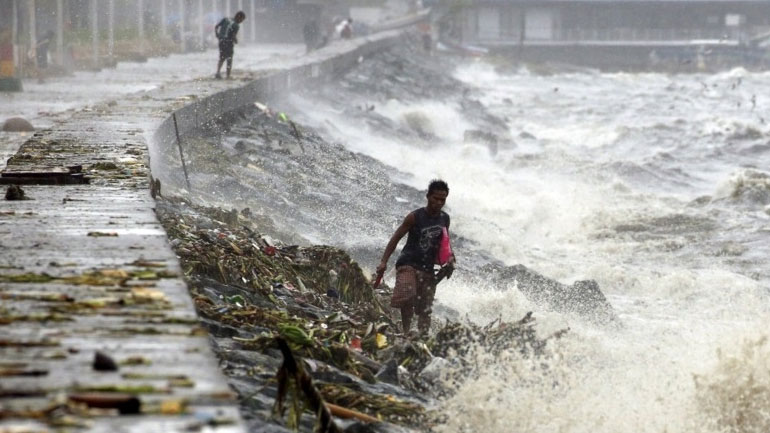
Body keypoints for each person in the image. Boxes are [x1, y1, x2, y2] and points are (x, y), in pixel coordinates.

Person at [376, 179, 455, 335]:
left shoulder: (445, 219)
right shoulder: (414, 217)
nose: (439, 202)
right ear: (428, 196)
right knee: (408, 295)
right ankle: (406, 333)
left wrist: (450, 259)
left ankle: (422, 338)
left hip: (428, 268)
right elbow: (395, 238)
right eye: (436, 198)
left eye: (442, 200)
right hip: (408, 264)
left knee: (425, 309)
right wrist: (383, 262)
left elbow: (445, 243)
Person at [214, 11, 246, 79]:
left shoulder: (226, 19)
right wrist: (236, 41)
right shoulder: (236, 25)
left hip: (221, 41)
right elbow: (233, 36)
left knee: (222, 57)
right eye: (242, 19)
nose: (241, 21)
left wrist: (217, 34)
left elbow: (216, 26)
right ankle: (228, 76)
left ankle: (218, 72)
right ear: (239, 17)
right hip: (228, 42)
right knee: (229, 58)